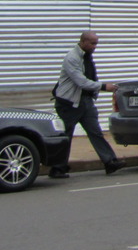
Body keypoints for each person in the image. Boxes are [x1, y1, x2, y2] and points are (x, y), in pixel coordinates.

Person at [49, 31, 125, 178]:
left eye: (96, 43)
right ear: (83, 41)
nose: (95, 46)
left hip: (85, 102)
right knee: (66, 135)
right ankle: (57, 168)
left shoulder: (87, 57)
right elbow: (81, 81)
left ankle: (110, 162)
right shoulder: (72, 57)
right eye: (92, 43)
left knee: (95, 132)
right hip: (69, 103)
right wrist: (103, 87)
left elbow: (90, 77)